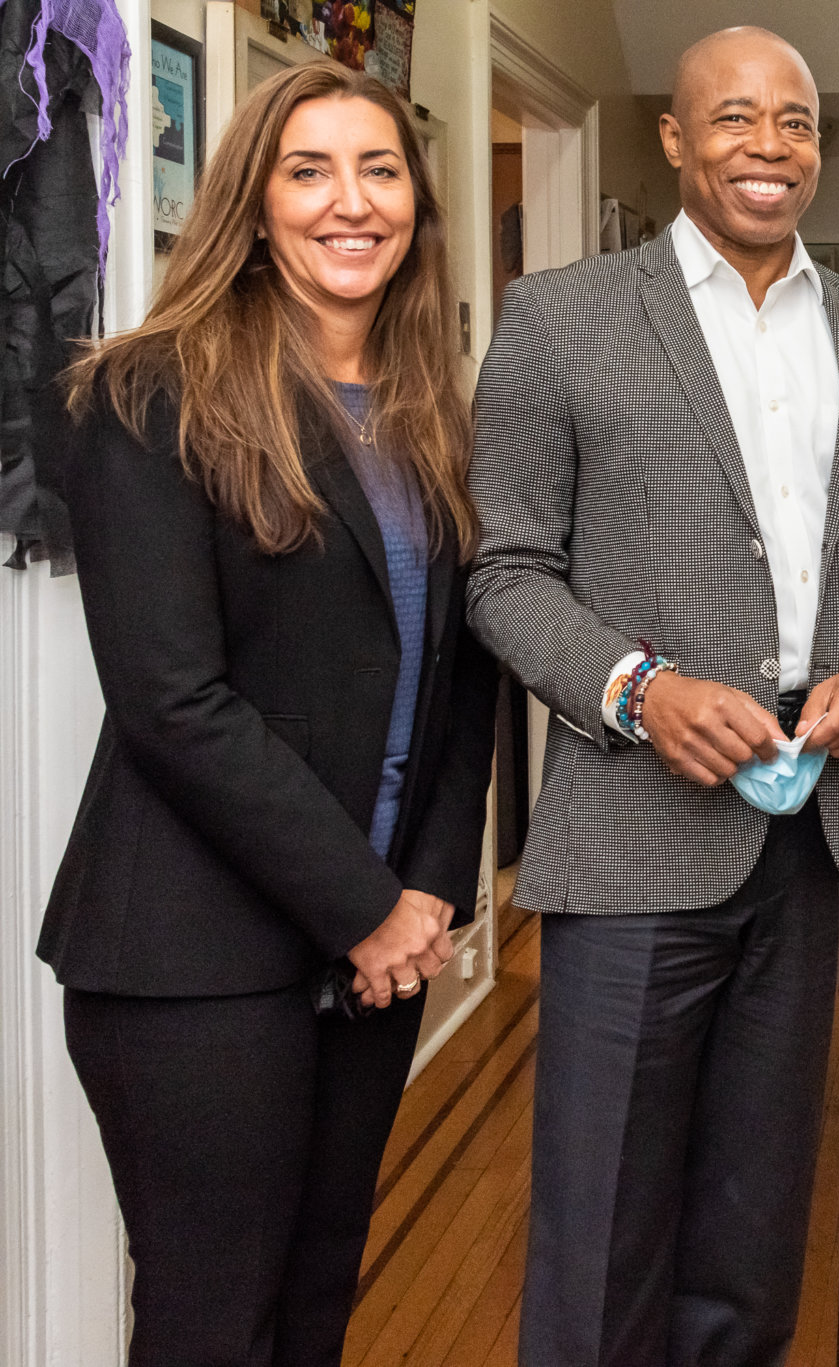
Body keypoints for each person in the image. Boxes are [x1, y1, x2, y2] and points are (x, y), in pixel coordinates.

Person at [466, 26, 839, 1367]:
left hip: (807, 842)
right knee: (602, 1231)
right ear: (675, 139)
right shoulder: (560, 318)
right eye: (733, 118)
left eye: (794, 121)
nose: (768, 143)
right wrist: (640, 688)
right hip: (632, 838)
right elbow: (505, 573)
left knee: (753, 1236)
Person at [40, 64, 497, 1365]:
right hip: (190, 951)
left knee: (311, 1308)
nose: (350, 203)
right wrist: (363, 900)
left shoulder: (428, 419)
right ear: (251, 199)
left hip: (371, 951)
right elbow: (172, 701)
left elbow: (461, 683)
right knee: (211, 1325)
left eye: (380, 169)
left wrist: (424, 899)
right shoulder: (145, 395)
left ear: (416, 202)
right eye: (309, 170)